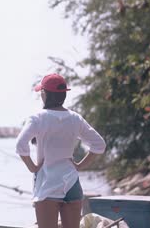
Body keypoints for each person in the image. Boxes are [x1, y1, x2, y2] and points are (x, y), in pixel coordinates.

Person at [15, 73, 106, 228]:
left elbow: (20, 145)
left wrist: (32, 167)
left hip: (47, 184)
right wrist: (80, 166)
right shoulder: (75, 118)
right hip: (72, 184)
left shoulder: (38, 118)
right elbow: (99, 145)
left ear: (44, 94)